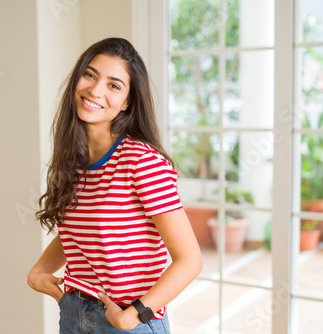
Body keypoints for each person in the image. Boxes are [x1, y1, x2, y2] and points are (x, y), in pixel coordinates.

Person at [28, 37, 202, 333]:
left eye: (114, 85)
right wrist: (38, 272)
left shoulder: (141, 161)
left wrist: (136, 314)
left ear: (127, 102)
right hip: (74, 313)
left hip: (125, 320)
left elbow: (190, 260)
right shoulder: (73, 161)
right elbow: (88, 232)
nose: (95, 90)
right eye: (90, 74)